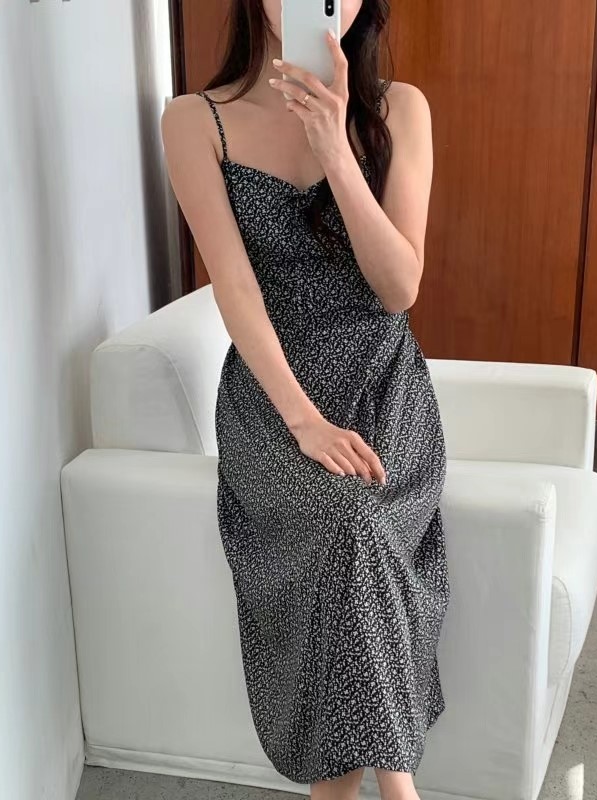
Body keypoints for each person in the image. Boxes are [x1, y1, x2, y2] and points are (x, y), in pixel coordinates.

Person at [160, 2, 449, 798]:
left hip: (382, 382)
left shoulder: (400, 110)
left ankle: (347, 793)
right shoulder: (195, 121)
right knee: (344, 520)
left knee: (355, 521)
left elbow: (399, 288)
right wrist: (303, 420)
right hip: (273, 395)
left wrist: (334, 148)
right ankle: (397, 788)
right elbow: (235, 287)